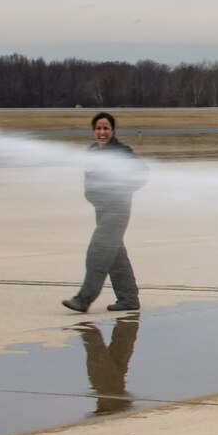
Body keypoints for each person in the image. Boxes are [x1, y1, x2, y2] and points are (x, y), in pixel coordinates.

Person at [62, 111, 147, 314]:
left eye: (106, 128)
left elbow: (142, 173)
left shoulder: (122, 151)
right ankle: (129, 298)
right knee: (115, 254)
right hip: (101, 209)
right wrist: (91, 196)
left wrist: (122, 190)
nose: (102, 132)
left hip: (117, 210)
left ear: (113, 130)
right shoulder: (92, 151)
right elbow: (89, 177)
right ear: (94, 131)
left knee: (98, 251)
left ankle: (84, 299)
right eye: (99, 128)